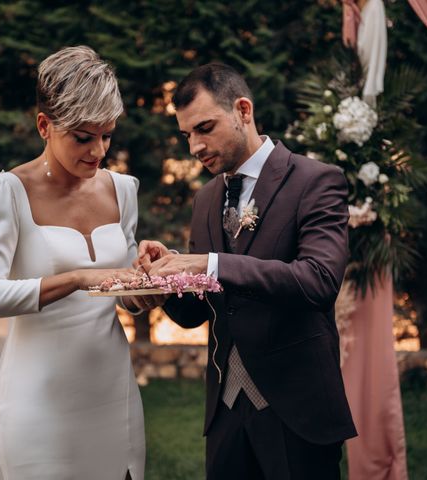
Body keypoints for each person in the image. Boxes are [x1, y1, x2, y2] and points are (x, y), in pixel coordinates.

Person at [138, 63, 357, 479]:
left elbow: (319, 281)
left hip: (298, 412)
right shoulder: (205, 199)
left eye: (205, 128)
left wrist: (210, 263)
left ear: (243, 110)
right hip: (224, 413)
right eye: (187, 135)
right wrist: (164, 278)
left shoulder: (315, 181)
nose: (194, 148)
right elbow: (197, 312)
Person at [0, 46, 146, 480]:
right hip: (37, 402)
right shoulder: (5, 192)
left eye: (108, 135)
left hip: (112, 393)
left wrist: (144, 284)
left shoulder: (124, 190)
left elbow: (122, 291)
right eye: (83, 136)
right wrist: (75, 278)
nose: (99, 151)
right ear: (45, 125)